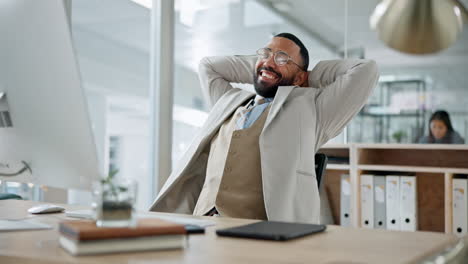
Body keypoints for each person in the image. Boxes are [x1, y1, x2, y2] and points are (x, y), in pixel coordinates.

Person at [149, 33, 379, 223]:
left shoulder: (313, 111)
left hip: (260, 234)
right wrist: (265, 65)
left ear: (300, 77)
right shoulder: (228, 102)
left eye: (282, 58)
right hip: (202, 224)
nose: (270, 60)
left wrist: (305, 76)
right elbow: (208, 66)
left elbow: (365, 70)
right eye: (266, 53)